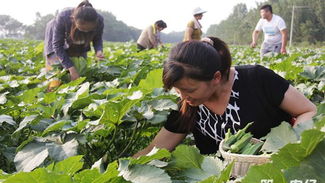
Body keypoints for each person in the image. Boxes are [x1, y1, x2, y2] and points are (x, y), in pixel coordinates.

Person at [134, 36, 316, 157]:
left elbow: (308, 110)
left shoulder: (257, 79)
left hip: (273, 170)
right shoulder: (187, 103)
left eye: (189, 90)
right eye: (177, 90)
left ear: (216, 78)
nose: (183, 97)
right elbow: (154, 150)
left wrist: (289, 149)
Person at [44, 0, 104, 81]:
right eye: (82, 28)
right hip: (55, 35)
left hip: (80, 42)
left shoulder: (99, 20)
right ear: (74, 20)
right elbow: (57, 46)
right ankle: (52, 88)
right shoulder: (63, 17)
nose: (85, 31)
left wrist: (99, 50)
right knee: (55, 70)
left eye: (89, 30)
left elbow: (98, 38)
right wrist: (71, 69)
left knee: (80, 67)